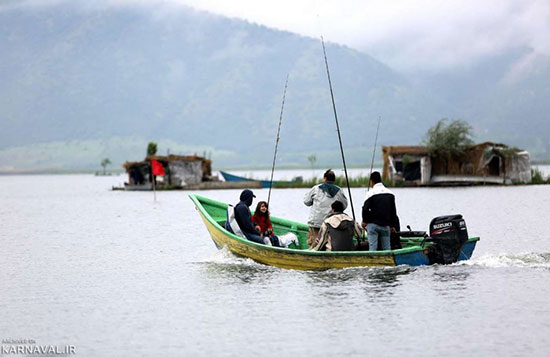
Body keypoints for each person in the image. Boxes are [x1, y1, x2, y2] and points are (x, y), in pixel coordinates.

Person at [304, 169, 348, 245]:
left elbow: (306, 202)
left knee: (315, 245)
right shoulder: (339, 191)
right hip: (333, 224)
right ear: (334, 180)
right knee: (330, 245)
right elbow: (344, 205)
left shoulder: (316, 189)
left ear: (324, 178)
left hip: (317, 224)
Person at [361, 171, 399, 251]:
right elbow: (393, 211)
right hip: (386, 226)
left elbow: (365, 209)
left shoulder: (370, 193)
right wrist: (392, 226)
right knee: (387, 249)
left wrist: (364, 221)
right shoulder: (390, 193)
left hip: (373, 225)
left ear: (372, 181)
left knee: (373, 248)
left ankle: (373, 262)